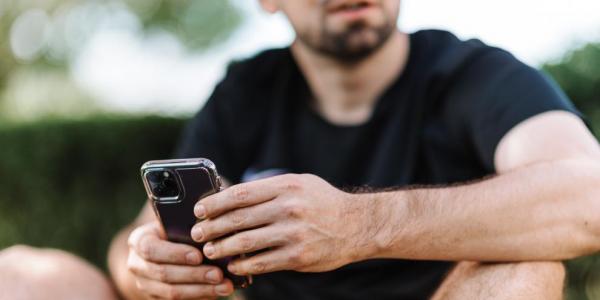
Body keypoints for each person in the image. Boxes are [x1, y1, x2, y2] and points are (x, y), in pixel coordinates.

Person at [107, 0, 600, 299]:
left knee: (524, 266)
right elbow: (135, 238)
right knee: (34, 277)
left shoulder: (476, 75)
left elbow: (589, 197)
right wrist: (147, 266)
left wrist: (361, 225)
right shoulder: (247, 90)